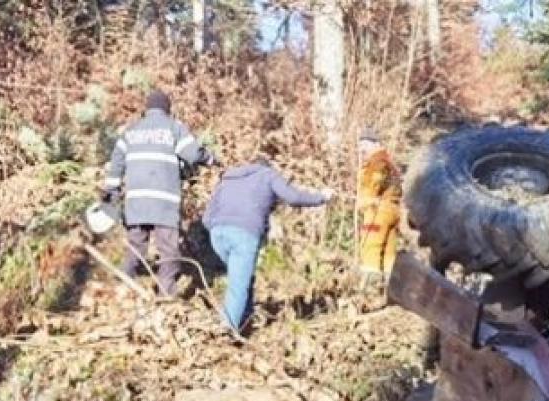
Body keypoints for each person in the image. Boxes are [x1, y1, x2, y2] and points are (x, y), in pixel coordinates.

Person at [102, 89, 215, 295]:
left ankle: (124, 287)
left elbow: (117, 162)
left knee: (135, 247)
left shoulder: (131, 130)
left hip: (136, 202)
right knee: (168, 250)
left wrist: (112, 190)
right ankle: (166, 294)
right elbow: (191, 153)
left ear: (147, 109)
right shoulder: (174, 127)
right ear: (167, 109)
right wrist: (209, 159)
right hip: (164, 202)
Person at [203, 157, 333, 335]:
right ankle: (227, 329)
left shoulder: (229, 179)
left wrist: (215, 227)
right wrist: (321, 197)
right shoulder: (267, 175)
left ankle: (245, 320)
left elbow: (206, 216)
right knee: (238, 283)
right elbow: (293, 197)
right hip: (244, 233)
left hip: (217, 234)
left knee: (241, 277)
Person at [355, 129, 402, 277]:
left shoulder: (377, 161)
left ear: (375, 144)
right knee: (389, 255)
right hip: (393, 210)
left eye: (365, 144)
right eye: (360, 145)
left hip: (377, 212)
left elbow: (375, 182)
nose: (361, 149)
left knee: (370, 248)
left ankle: (370, 289)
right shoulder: (389, 162)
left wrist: (365, 201)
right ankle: (388, 289)